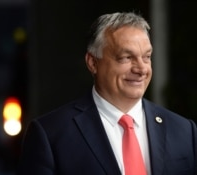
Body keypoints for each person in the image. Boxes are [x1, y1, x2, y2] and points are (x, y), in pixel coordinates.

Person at [17, 12, 197, 175]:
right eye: (126, 57)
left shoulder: (184, 131)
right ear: (93, 63)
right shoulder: (50, 135)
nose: (142, 68)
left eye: (147, 57)